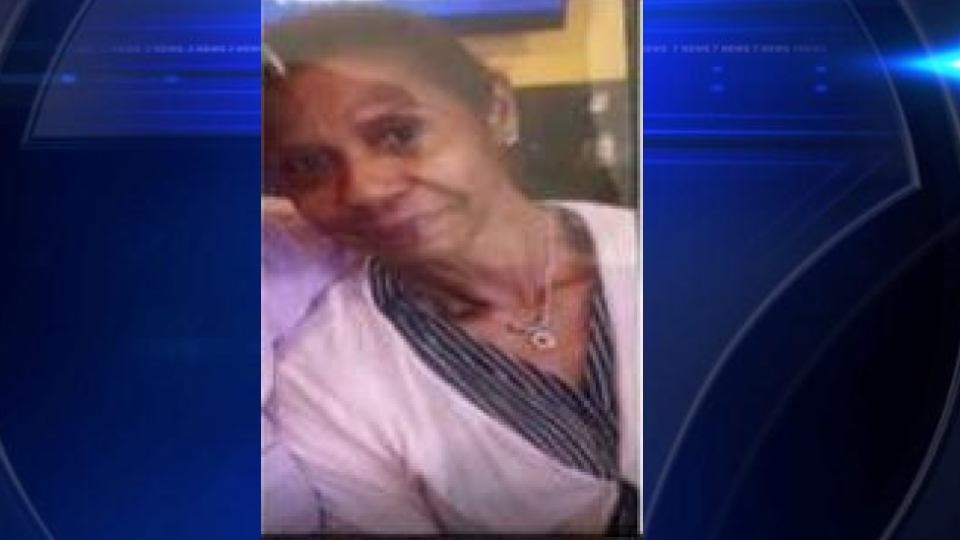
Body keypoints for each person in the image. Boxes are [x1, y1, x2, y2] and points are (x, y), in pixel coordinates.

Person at [262, 4, 640, 535]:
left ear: (498, 110)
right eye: (307, 166)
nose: (365, 189)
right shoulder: (328, 377)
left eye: (397, 134)